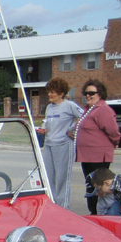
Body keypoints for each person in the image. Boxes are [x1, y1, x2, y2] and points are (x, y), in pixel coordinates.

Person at [71, 79, 121, 215]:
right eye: (86, 93)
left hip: (98, 156)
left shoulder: (103, 109)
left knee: (99, 188)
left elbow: (113, 131)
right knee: (90, 187)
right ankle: (94, 213)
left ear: (100, 94)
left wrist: (115, 142)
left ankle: (102, 214)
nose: (88, 96)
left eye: (92, 93)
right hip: (87, 156)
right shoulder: (88, 110)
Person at [37, 77, 83, 209]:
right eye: (49, 92)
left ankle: (63, 208)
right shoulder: (49, 108)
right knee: (48, 177)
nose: (49, 95)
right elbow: (49, 124)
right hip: (49, 145)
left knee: (62, 179)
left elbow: (84, 117)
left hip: (63, 145)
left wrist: (72, 129)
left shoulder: (70, 105)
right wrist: (44, 130)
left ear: (61, 93)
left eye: (53, 92)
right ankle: (52, 206)